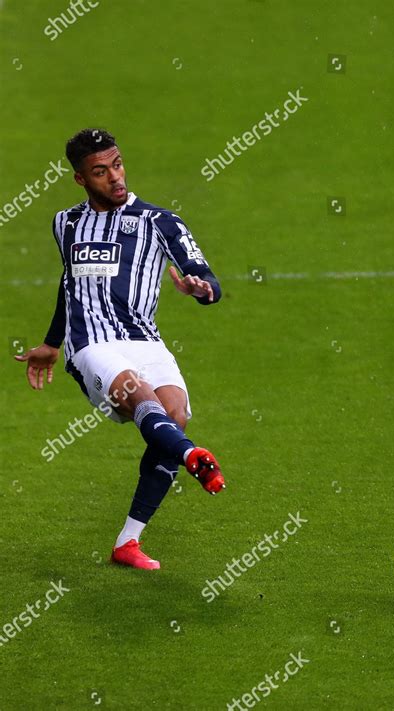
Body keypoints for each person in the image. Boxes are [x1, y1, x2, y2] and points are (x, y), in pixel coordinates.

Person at [15, 128, 225, 570]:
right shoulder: (66, 223)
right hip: (91, 343)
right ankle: (192, 455)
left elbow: (206, 277)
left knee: (177, 416)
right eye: (99, 171)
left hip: (145, 340)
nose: (114, 177)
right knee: (140, 396)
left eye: (117, 164)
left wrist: (199, 288)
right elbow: (70, 284)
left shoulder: (160, 222)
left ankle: (127, 544)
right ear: (80, 179)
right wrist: (54, 344)